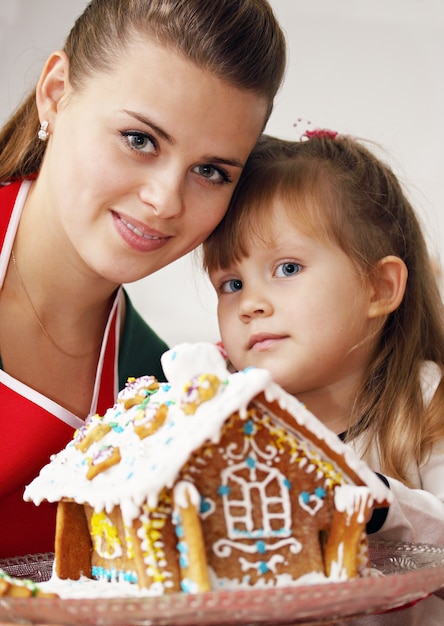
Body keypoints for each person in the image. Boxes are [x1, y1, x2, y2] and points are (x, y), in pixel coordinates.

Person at [0, 0, 286, 558]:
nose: (164, 201)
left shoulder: (161, 391)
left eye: (210, 171)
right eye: (139, 139)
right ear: (55, 93)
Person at [202, 132, 444, 625]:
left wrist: (372, 498)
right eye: (232, 283)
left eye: (287, 267)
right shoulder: (224, 427)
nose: (251, 304)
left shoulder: (424, 403)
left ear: (379, 287)